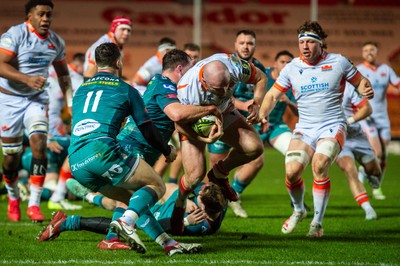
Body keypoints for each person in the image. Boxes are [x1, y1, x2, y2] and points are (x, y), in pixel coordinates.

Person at [68, 45, 212, 255]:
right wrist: (167, 149)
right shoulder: (126, 89)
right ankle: (124, 224)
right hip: (104, 151)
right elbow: (146, 125)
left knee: (134, 201)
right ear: (119, 62)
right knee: (157, 186)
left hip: (76, 161)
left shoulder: (81, 89)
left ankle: (168, 245)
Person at [259, 21, 374, 237]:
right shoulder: (292, 67)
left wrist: (365, 88)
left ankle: (317, 223)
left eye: (310, 42)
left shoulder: (338, 62)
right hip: (305, 128)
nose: (305, 46)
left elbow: (360, 82)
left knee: (320, 165)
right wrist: (263, 112)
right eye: (301, 42)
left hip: (333, 125)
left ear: (321, 44)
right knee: (292, 172)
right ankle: (299, 210)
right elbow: (272, 95)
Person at [171, 52, 268, 235]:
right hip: (194, 122)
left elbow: (261, 78)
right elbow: (179, 125)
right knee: (194, 177)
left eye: (227, 86)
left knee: (255, 148)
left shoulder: (234, 65)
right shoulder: (187, 89)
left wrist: (256, 103)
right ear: (204, 83)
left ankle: (219, 173)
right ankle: (180, 201)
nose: (224, 92)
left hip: (224, 112)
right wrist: (206, 139)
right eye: (218, 89)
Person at [0, 0, 73, 222]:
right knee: (11, 156)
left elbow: (63, 74)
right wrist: (27, 79)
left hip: (36, 99)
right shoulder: (15, 35)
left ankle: (33, 204)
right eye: (41, 14)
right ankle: (13, 198)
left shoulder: (55, 42)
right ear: (29, 16)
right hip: (9, 100)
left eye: (49, 15)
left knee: (39, 144)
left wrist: (70, 104)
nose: (45, 19)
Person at [36, 181, 227, 242]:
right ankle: (87, 199)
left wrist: (185, 221)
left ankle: (87, 199)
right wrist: (185, 200)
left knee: (125, 208)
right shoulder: (218, 202)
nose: (197, 194)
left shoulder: (198, 224)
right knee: (128, 201)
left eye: (199, 198)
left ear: (203, 208)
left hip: (160, 215)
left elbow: (159, 228)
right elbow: (197, 187)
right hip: (168, 203)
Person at [207, 30, 267, 218]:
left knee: (257, 159)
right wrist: (244, 105)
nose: (245, 46)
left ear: (255, 46)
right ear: (235, 45)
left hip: (245, 122)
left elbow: (262, 94)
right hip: (223, 117)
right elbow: (223, 94)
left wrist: (262, 113)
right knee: (215, 166)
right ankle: (209, 208)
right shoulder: (226, 65)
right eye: (242, 43)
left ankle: (235, 194)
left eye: (249, 43)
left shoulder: (258, 67)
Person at [356, 41, 400, 200]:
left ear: (376, 52)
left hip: (383, 118)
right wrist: (358, 110)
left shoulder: (385, 69)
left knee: (384, 155)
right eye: (366, 49)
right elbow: (351, 94)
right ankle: (364, 178)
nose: (369, 52)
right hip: (367, 118)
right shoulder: (359, 71)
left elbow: (397, 84)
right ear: (362, 53)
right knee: (377, 152)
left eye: (372, 50)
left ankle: (376, 186)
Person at [154, 43, 202, 184]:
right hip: (158, 129)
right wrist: (210, 110)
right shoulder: (166, 84)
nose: (193, 61)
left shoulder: (187, 81)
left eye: (196, 57)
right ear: (180, 67)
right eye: (190, 57)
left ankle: (170, 184)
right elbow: (177, 114)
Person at [336, 83, 381, 220]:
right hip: (337, 137)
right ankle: (368, 208)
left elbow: (367, 108)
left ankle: (369, 174)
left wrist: (349, 121)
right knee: (349, 169)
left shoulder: (348, 87)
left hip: (356, 135)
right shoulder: (317, 87)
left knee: (375, 171)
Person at [83, 15, 132, 80]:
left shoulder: (117, 46)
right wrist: (88, 89)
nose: (126, 33)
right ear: (114, 30)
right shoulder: (103, 45)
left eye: (128, 30)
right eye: (123, 29)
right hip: (95, 86)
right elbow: (89, 73)